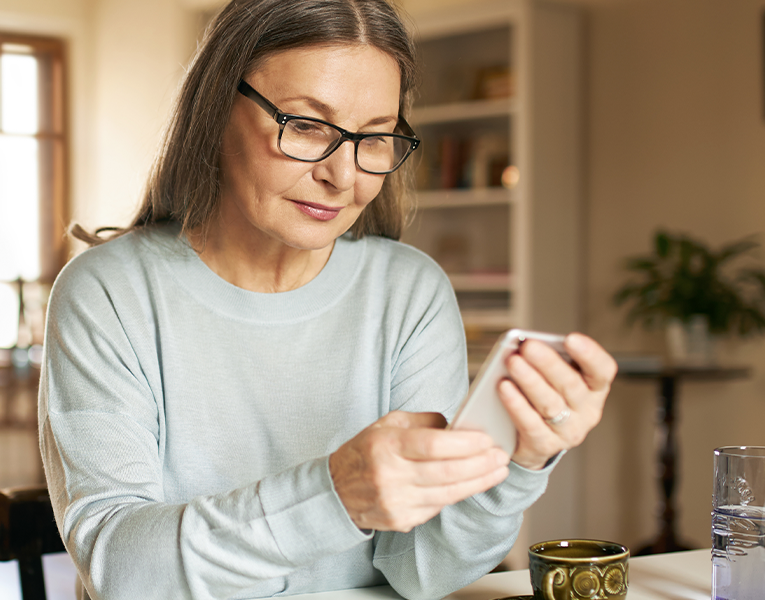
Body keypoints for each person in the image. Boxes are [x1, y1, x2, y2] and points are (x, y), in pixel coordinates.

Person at [38, 0, 618, 598]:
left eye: (375, 137)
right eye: (307, 125)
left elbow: (423, 571)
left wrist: (517, 463)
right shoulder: (108, 293)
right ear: (216, 108)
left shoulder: (409, 292)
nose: (343, 176)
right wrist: (335, 496)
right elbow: (121, 572)